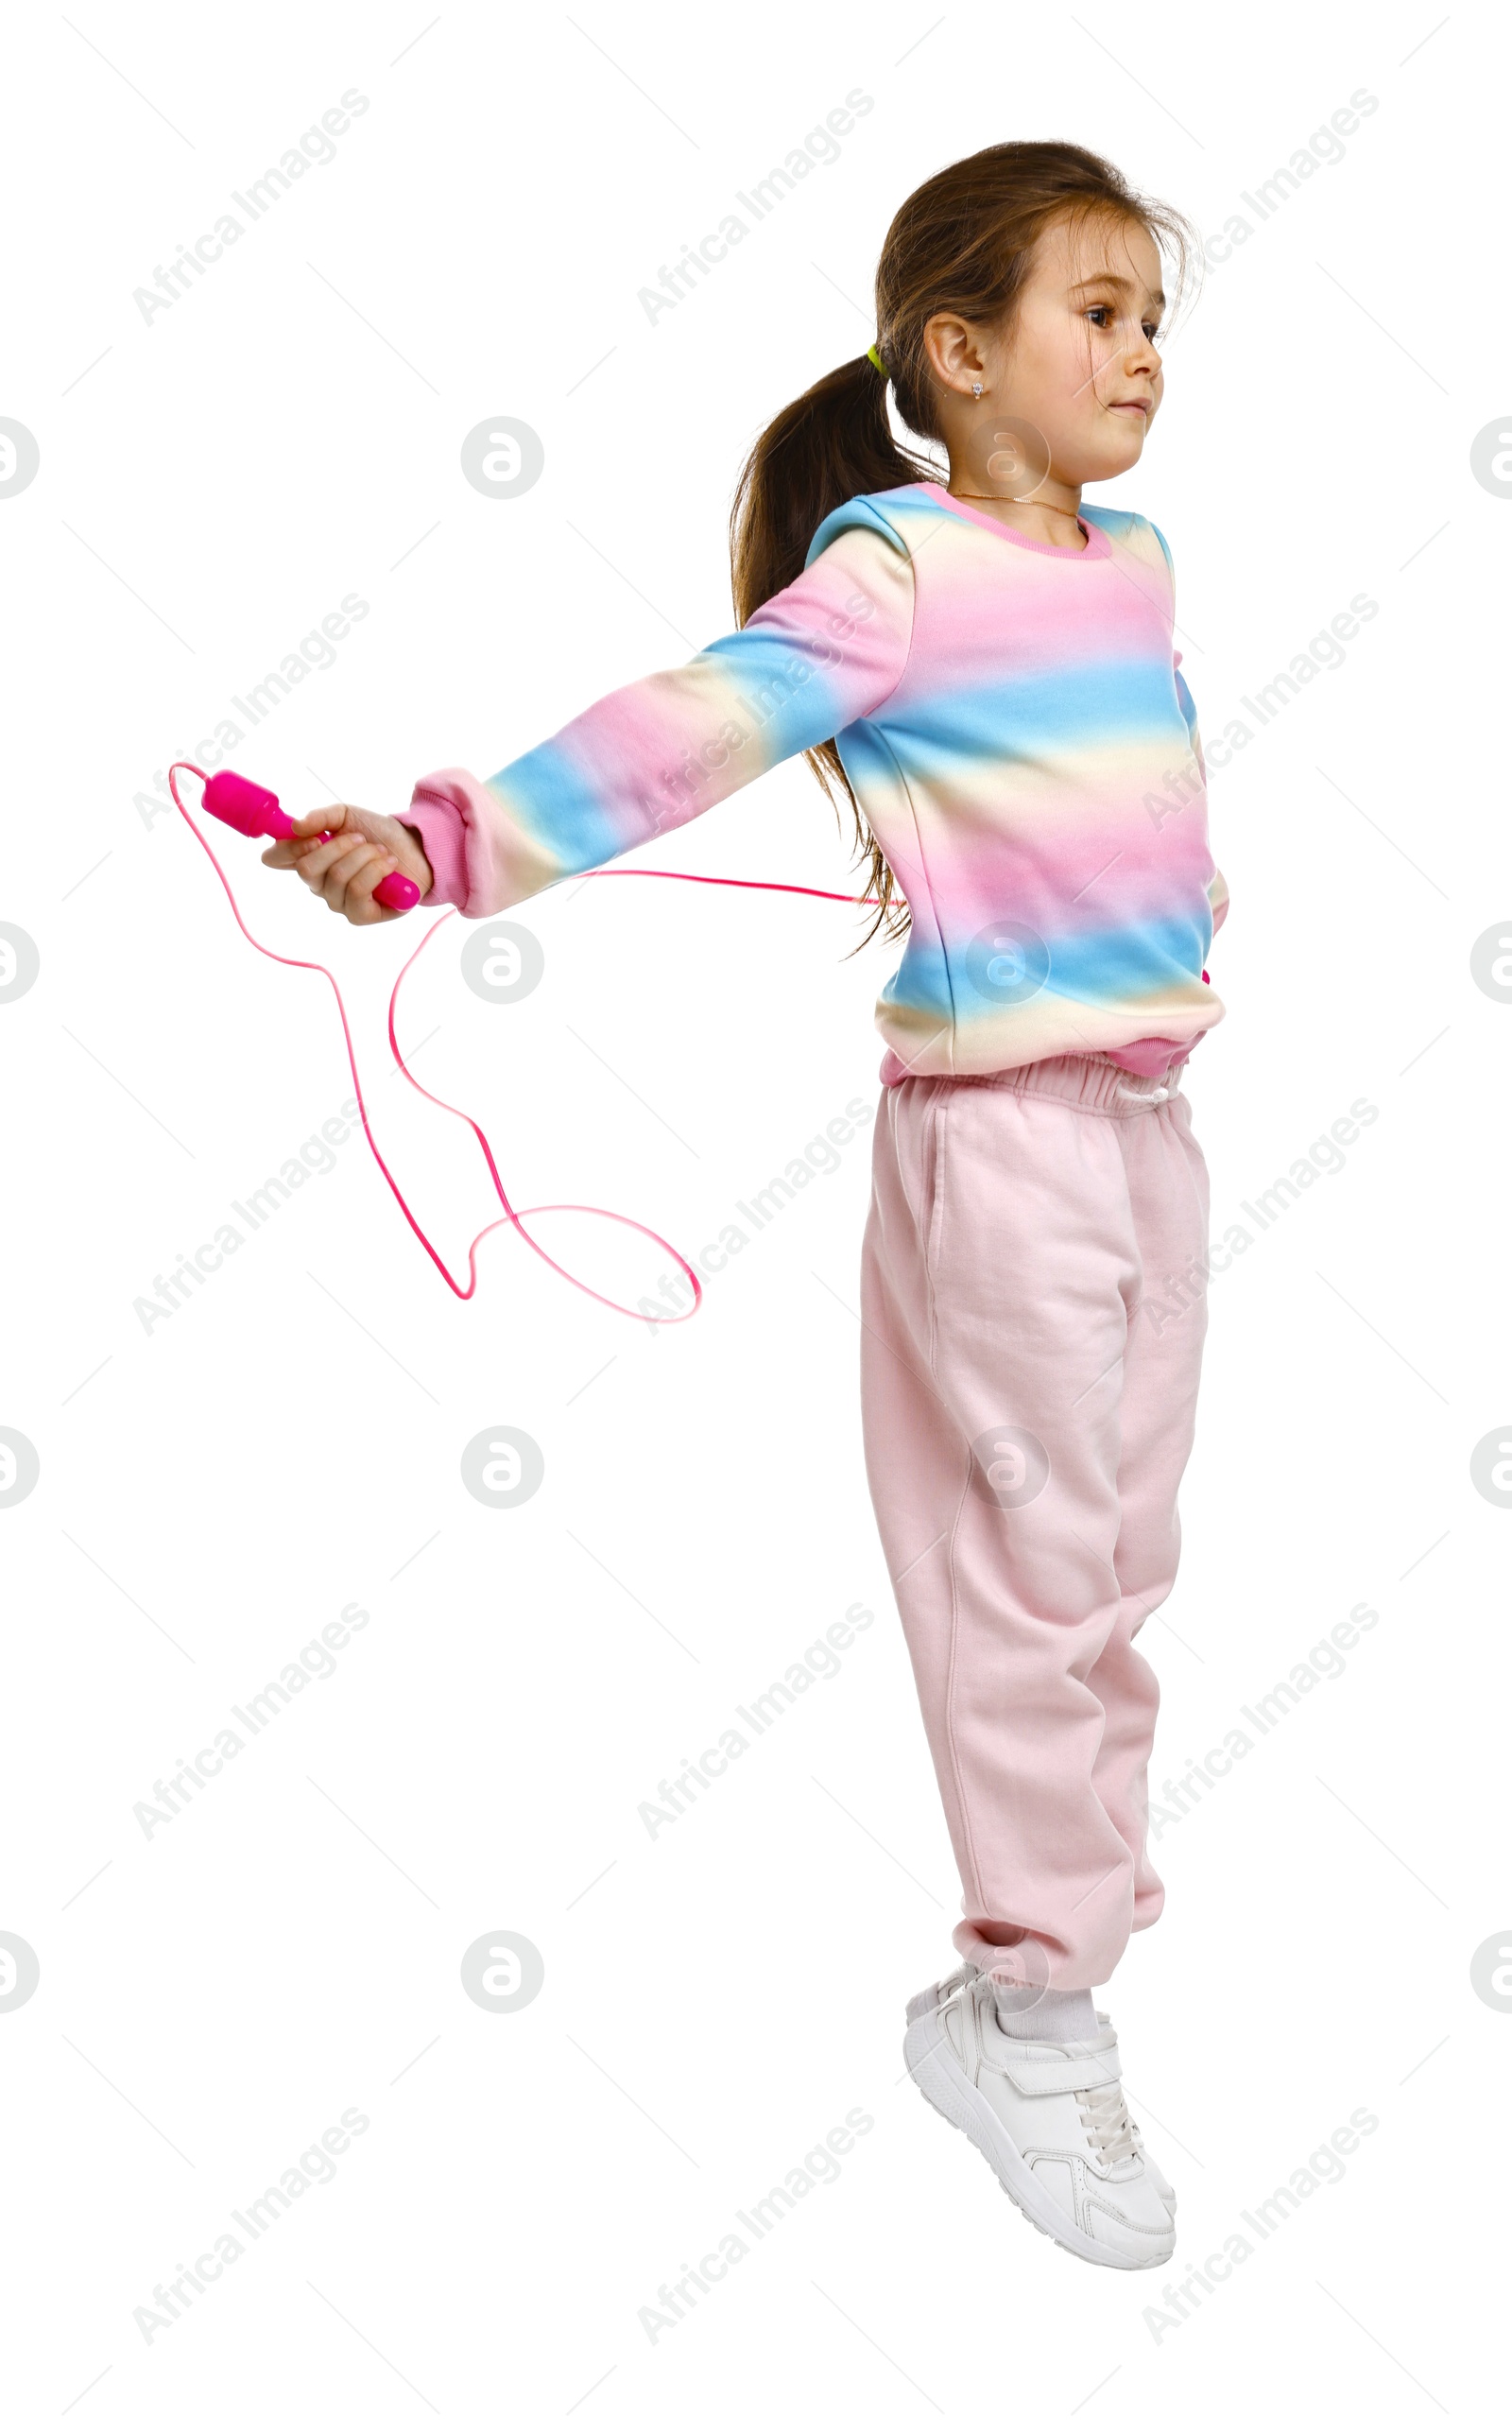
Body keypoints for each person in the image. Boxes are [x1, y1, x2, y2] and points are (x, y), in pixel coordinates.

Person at [264, 139, 1226, 2273]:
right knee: (1024, 1575)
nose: (1139, 350)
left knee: (1112, 1569)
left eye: (1152, 315)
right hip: (1007, 1155)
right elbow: (685, 731)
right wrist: (446, 845)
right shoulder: (891, 572)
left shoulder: (1133, 560)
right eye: (1095, 312)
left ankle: (1040, 1969)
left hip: (1153, 1133)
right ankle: (1033, 1996)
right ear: (957, 355)